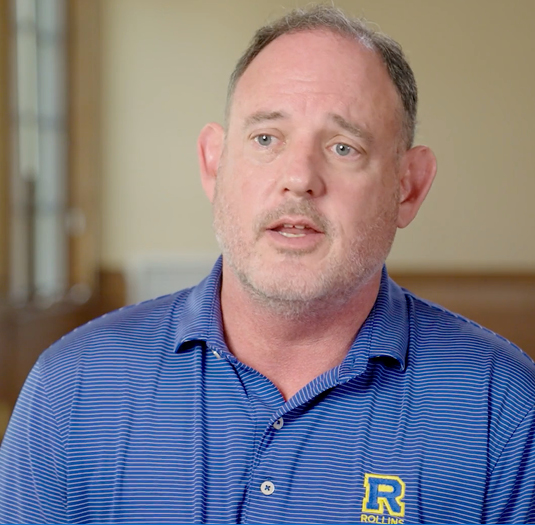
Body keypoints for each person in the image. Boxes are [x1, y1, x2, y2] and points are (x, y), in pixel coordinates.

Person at [1, 5, 534, 524]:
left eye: (344, 147)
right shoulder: (70, 388)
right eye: (265, 139)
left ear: (408, 187)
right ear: (214, 163)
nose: (299, 177)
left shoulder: (504, 409)